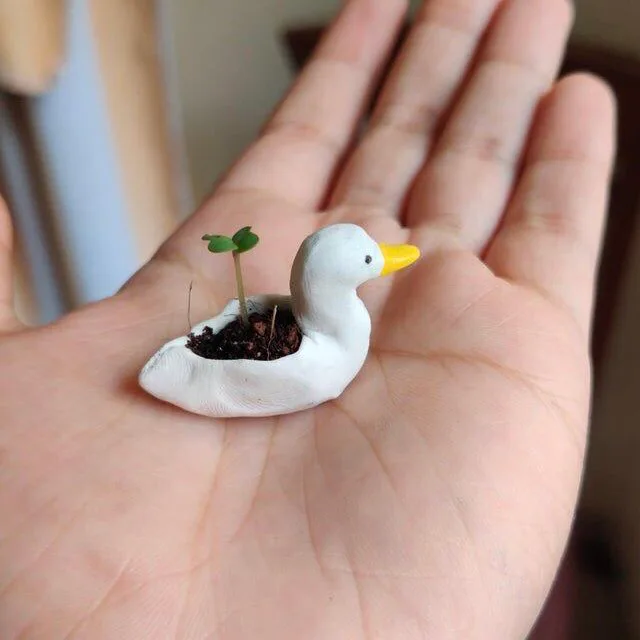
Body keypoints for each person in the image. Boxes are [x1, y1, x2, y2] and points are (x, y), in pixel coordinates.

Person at [0, 0, 616, 637]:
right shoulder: (315, 363)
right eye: (371, 260)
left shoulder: (317, 326)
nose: (386, 263)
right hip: (191, 369)